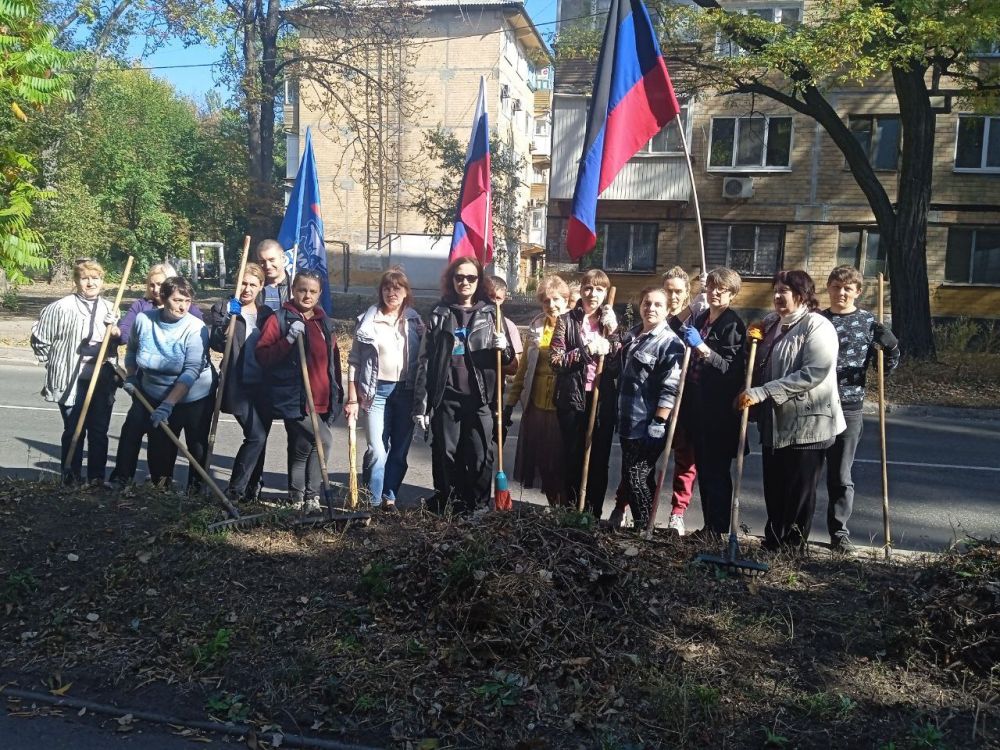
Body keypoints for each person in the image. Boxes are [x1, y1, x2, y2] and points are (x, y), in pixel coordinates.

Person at [738, 269, 845, 552]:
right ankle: (773, 542)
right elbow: (761, 363)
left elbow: (815, 372)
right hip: (775, 422)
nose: (777, 296)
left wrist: (763, 392)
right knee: (774, 485)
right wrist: (752, 341)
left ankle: (793, 549)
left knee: (798, 491)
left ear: (802, 294)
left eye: (783, 291)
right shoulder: (772, 323)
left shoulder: (817, 325)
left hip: (808, 423)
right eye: (775, 290)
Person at [412, 257, 512, 513]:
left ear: (479, 281)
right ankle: (453, 504)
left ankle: (478, 505)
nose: (464, 282)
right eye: (459, 277)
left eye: (471, 277)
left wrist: (504, 347)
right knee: (447, 454)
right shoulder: (440, 313)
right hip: (447, 396)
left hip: (480, 397)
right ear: (451, 280)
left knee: (480, 456)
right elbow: (425, 361)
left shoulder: (492, 314)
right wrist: (422, 405)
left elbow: (508, 360)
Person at [821, 265, 901, 553]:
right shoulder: (816, 320)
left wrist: (890, 348)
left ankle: (839, 533)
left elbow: (883, 371)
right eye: (836, 286)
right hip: (814, 405)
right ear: (828, 288)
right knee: (805, 473)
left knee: (840, 476)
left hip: (849, 406)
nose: (841, 292)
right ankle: (796, 530)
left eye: (847, 288)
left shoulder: (868, 322)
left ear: (857, 291)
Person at [256, 270, 343, 512]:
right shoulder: (280, 319)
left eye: (313, 291)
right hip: (294, 398)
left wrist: (338, 392)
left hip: (321, 397)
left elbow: (333, 361)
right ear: (293, 290)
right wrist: (289, 340)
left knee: (302, 447)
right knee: (323, 440)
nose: (307, 295)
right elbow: (263, 355)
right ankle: (312, 496)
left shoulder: (324, 321)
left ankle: (297, 498)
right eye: (302, 289)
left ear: (320, 294)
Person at [110, 263, 203, 486]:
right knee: (134, 427)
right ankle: (125, 479)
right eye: (177, 301)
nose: (182, 307)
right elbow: (130, 349)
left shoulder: (196, 325)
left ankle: (170, 484)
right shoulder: (144, 318)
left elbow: (191, 370)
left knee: (169, 439)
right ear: (164, 297)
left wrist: (168, 404)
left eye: (186, 302)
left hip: (187, 393)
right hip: (149, 386)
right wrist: (131, 377)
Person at [31, 259, 121, 486]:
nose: (90, 283)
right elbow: (40, 339)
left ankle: (96, 479)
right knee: (74, 430)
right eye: (85, 278)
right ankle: (70, 479)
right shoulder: (61, 307)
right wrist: (55, 363)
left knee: (99, 431)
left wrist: (114, 332)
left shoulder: (110, 307)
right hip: (71, 379)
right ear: (76, 281)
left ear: (102, 281)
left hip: (101, 378)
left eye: (95, 278)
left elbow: (115, 345)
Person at [345, 268, 425, 511]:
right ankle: (373, 499)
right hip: (375, 392)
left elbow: (425, 358)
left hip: (406, 392)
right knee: (377, 450)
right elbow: (354, 361)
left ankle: (389, 497)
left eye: (397, 287)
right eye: (387, 288)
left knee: (399, 451)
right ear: (381, 291)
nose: (392, 292)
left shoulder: (415, 321)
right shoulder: (367, 321)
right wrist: (351, 398)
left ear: (406, 292)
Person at [679, 267, 747, 541]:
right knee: (704, 470)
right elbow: (675, 326)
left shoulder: (732, 325)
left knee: (716, 471)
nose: (715, 292)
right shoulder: (702, 318)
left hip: (718, 412)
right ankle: (709, 527)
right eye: (711, 286)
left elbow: (730, 370)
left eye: (722, 289)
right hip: (698, 405)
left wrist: (703, 349)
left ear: (732, 294)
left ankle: (718, 529)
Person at [550, 268, 620, 518]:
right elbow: (556, 361)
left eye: (600, 289)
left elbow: (618, 366)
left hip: (601, 400)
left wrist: (613, 336)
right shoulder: (566, 320)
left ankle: (592, 514)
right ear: (581, 290)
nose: (593, 294)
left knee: (599, 460)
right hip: (572, 399)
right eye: (588, 288)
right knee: (573, 458)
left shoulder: (610, 322)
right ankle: (572, 511)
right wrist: (586, 350)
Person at [615, 287, 685, 530]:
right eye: (647, 303)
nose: (651, 308)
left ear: (667, 310)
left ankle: (645, 528)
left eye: (657, 305)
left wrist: (659, 422)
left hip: (647, 424)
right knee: (633, 476)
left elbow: (671, 387)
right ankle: (644, 526)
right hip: (627, 420)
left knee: (637, 477)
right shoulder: (633, 335)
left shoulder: (670, 343)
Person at [207, 263, 273, 504]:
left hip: (263, 386)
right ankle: (235, 490)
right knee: (256, 436)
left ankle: (251, 490)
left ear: (261, 287)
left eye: (252, 285)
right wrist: (227, 321)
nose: (247, 289)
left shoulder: (267, 315)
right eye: (243, 283)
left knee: (261, 438)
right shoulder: (224, 308)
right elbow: (216, 344)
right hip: (237, 384)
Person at [504, 275, 570, 506]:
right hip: (536, 406)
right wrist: (510, 402)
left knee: (560, 462)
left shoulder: (574, 325)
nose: (551, 305)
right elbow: (523, 370)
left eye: (556, 300)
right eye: (546, 301)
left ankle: (565, 507)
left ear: (567, 300)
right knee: (542, 461)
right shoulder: (536, 327)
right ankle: (553, 505)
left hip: (561, 407)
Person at [489, 275, 523, 376]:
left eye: (498, 298)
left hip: (494, 388)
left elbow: (513, 368)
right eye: (490, 296)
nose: (494, 301)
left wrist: (504, 351)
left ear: (504, 299)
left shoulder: (508, 326)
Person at [256, 239, 291, 311]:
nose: (268, 266)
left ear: (283, 258)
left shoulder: (295, 286)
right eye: (262, 261)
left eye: (272, 260)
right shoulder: (254, 288)